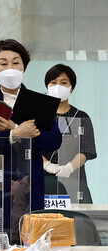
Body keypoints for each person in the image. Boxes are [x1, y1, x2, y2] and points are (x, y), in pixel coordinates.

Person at [0, 39, 61, 236]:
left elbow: (54, 140)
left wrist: (17, 127)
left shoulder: (40, 101)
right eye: (3, 63)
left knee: (29, 238)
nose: (10, 68)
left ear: (24, 67)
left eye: (16, 62)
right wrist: (14, 134)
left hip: (29, 182)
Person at [43, 63, 98, 204]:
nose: (58, 86)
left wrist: (69, 167)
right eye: (53, 82)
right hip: (42, 178)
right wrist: (47, 165)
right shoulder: (40, 114)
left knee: (76, 222)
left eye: (63, 83)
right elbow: (31, 145)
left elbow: (86, 150)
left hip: (74, 180)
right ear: (47, 86)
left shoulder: (81, 117)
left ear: (71, 88)